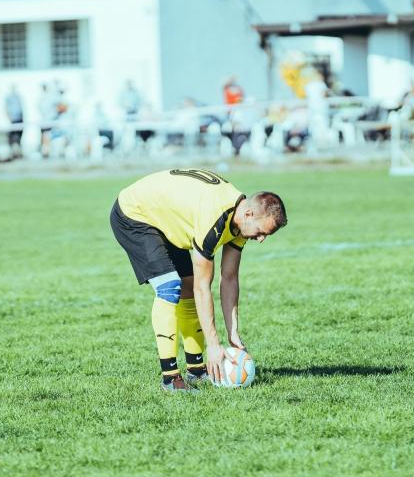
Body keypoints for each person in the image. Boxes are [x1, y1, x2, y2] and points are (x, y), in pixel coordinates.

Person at [110, 168, 287, 393]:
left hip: (168, 220)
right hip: (134, 214)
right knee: (170, 287)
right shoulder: (214, 217)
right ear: (249, 215)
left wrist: (233, 333)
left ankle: (196, 371)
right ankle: (171, 379)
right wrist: (213, 344)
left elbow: (229, 278)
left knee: (186, 287)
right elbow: (202, 288)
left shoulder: (240, 221)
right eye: (262, 232)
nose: (261, 239)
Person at [5, 85, 24, 156]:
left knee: (19, 134)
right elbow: (6, 108)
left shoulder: (18, 96)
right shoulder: (8, 97)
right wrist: (9, 118)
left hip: (19, 119)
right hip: (13, 119)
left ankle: (18, 150)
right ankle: (14, 151)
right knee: (14, 136)